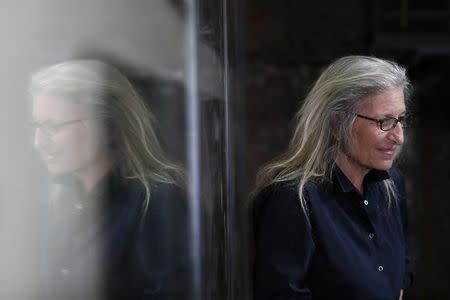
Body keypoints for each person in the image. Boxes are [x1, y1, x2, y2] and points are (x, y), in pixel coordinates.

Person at [252, 56, 413, 300]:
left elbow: (400, 273)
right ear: (337, 123)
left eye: (400, 119)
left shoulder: (393, 184)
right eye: (384, 122)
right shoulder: (293, 199)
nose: (398, 137)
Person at [30, 59, 190, 299]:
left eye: (53, 127)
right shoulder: (58, 201)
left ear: (107, 127)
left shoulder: (155, 201)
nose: (38, 142)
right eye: (37, 126)